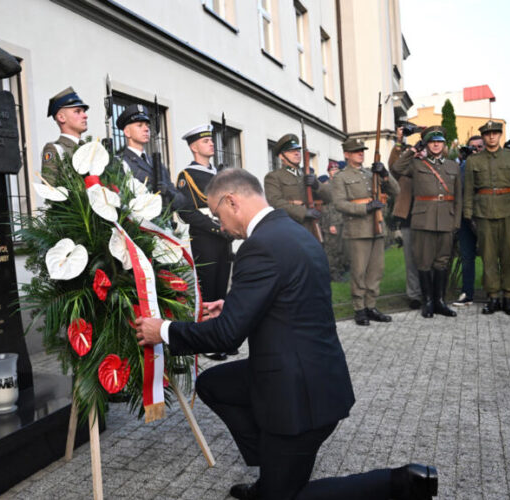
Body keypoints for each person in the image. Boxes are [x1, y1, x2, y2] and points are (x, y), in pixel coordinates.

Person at [134, 168, 438, 500]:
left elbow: (226, 338)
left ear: (232, 201)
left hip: (299, 398)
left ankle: (401, 482)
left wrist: (161, 330)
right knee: (214, 384)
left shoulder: (259, 246)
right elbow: (290, 296)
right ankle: (274, 467)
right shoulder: (292, 232)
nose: (219, 224)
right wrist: (234, 305)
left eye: (218, 213)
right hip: (312, 373)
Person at [176, 124, 235, 361]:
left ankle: (222, 337)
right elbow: (185, 211)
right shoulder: (187, 175)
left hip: (224, 237)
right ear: (193, 147)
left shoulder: (219, 174)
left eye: (211, 140)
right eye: (205, 141)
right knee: (207, 291)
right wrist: (215, 227)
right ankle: (208, 341)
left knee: (222, 289)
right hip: (205, 238)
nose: (211, 143)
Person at [392, 127, 461, 319]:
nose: (436, 144)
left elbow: (459, 197)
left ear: (444, 144)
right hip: (423, 219)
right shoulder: (416, 164)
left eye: (439, 141)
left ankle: (439, 301)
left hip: (446, 218)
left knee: (442, 261)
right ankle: (428, 301)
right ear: (427, 145)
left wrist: (456, 222)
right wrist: (413, 150)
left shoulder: (453, 166)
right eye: (432, 142)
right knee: (423, 261)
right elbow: (396, 169)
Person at [331, 138, 400, 326]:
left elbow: (396, 191)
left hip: (376, 228)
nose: (360, 153)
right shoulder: (341, 177)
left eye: (362, 150)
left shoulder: (371, 174)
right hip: (357, 229)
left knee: (376, 270)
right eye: (355, 151)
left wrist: (385, 174)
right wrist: (365, 208)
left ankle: (371, 306)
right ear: (346, 154)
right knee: (359, 271)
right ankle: (359, 309)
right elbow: (339, 204)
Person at [464, 120, 510, 315]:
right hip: (483, 213)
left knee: (509, 256)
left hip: (508, 211)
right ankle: (492, 297)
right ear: (483, 136)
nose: (491, 136)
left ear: (500, 135)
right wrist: (468, 215)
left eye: (495, 133)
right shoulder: (474, 161)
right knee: (488, 256)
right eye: (488, 133)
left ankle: (508, 297)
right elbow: (468, 190)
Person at [116, 104, 186, 210]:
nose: (146, 129)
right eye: (139, 125)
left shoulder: (157, 164)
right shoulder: (120, 162)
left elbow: (181, 202)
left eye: (147, 126)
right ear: (127, 132)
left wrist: (168, 193)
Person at [263, 134, 332, 239]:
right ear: (282, 156)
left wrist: (317, 185)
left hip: (312, 229)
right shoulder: (273, 177)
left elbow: (329, 197)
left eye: (298, 150)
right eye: (291, 151)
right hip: (289, 230)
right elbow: (276, 202)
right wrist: (303, 212)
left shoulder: (306, 174)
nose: (297, 153)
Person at [389, 126, 422, 310]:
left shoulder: (428, 161)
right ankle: (414, 295)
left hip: (428, 216)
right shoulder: (405, 165)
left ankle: (430, 291)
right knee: (411, 259)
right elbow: (394, 165)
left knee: (427, 258)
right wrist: (401, 141)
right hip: (409, 215)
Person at [452, 135, 484, 307]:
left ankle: (494, 293)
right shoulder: (462, 166)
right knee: (467, 257)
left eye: (479, 147)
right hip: (466, 217)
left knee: (491, 256)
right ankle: (467, 293)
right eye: (472, 147)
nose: (476, 150)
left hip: (486, 216)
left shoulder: (488, 164)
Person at [40, 87, 89, 182]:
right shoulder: (55, 149)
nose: (85, 116)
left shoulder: (88, 147)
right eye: (77, 111)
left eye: (84, 111)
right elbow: (50, 191)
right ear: (61, 117)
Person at [323, 163, 349, 282]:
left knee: (342, 248)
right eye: (332, 169)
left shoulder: (341, 184)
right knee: (332, 249)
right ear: (329, 172)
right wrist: (331, 224)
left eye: (337, 169)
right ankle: (332, 273)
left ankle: (340, 270)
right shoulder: (327, 186)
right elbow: (327, 207)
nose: (335, 171)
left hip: (342, 219)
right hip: (331, 221)